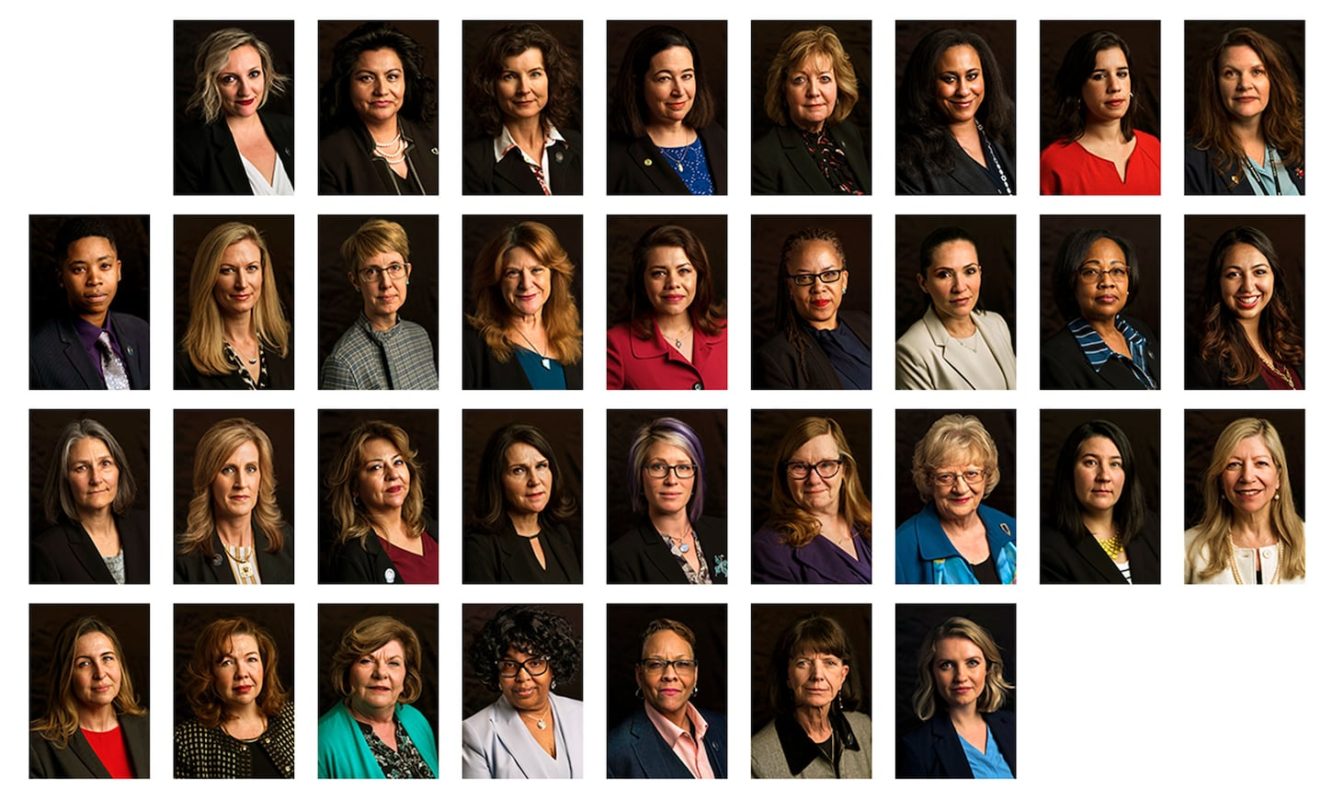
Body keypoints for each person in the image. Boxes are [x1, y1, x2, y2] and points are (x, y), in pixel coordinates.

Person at [318, 22, 439, 195]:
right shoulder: (327, 157)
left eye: (392, 76)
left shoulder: (434, 135)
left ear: (406, 81)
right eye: (366, 78)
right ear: (347, 85)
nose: (381, 90)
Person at [463, 606, 583, 778]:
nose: (523, 677)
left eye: (534, 663)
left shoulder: (584, 714)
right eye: (510, 665)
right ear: (496, 672)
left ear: (553, 668)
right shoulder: (474, 733)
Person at [31, 217, 150, 390]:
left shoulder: (141, 331)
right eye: (79, 269)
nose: (94, 280)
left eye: (104, 266)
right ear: (61, 277)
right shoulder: (36, 354)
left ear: (118, 270)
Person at [896, 415, 1016, 585]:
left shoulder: (1012, 529)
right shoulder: (901, 548)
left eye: (971, 474)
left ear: (987, 475)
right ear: (929, 480)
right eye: (945, 477)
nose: (960, 489)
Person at [464, 23, 582, 194]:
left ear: (551, 78)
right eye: (509, 76)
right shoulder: (471, 163)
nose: (524, 89)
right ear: (491, 85)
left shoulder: (579, 145)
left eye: (535, 74)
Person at [320, 219, 438, 390]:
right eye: (371, 271)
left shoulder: (420, 336)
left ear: (407, 272)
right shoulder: (342, 363)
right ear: (355, 281)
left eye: (395, 267)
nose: (386, 283)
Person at [608, 25, 726, 195]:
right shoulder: (613, 157)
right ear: (638, 84)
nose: (679, 91)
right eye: (664, 78)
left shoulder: (718, 137)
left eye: (686, 76)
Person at [464, 222, 583, 389]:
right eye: (512, 273)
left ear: (554, 275)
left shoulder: (573, 340)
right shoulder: (470, 347)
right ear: (497, 282)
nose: (526, 284)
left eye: (536, 270)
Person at [175, 28, 294, 195]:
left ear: (265, 75)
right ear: (212, 84)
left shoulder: (292, 129)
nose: (245, 90)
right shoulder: (190, 149)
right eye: (229, 79)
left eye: (253, 74)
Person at [1039, 30, 1160, 195]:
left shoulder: (1154, 148)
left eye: (1122, 74)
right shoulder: (1053, 162)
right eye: (1099, 76)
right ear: (1078, 87)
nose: (1115, 86)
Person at [753, 417, 872, 584]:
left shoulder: (870, 524)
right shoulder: (769, 549)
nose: (814, 479)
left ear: (844, 470)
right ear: (784, 474)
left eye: (826, 465)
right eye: (800, 467)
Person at [1185, 417, 1304, 584]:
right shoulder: (1187, 548)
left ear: (1279, 477)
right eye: (1233, 465)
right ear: (1220, 479)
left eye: (1261, 463)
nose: (1247, 477)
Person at [607, 224, 727, 390]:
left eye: (683, 271)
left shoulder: (729, 334)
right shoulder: (615, 346)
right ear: (642, 281)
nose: (673, 283)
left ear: (699, 276)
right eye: (659, 273)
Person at [175, 221, 293, 390]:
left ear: (263, 275)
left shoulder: (289, 343)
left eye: (251, 268)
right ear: (208, 279)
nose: (242, 283)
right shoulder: (183, 363)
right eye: (227, 270)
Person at [174, 418, 293, 584]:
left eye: (251, 469)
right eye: (228, 470)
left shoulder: (290, 542)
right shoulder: (180, 558)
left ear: (261, 477)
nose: (241, 483)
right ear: (209, 478)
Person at [1185, 28, 1304, 195]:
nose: (1245, 84)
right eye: (1231, 73)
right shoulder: (1190, 161)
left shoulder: (1298, 145)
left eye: (1257, 72)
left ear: (1272, 81)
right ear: (1216, 85)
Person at [752, 26, 869, 194]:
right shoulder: (763, 158)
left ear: (839, 85)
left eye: (824, 78)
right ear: (783, 89)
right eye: (800, 80)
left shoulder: (850, 134)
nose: (813, 91)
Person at [608, 418, 727, 584]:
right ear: (639, 476)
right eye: (658, 467)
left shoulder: (725, 532)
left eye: (683, 467)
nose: (671, 480)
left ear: (696, 476)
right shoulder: (622, 556)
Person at [897, 28, 1016, 195]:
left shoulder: (1011, 126)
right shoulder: (908, 160)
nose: (963, 91)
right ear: (927, 84)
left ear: (986, 77)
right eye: (949, 79)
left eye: (972, 76)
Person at [896, 226, 1016, 390]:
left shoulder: (997, 323)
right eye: (944, 274)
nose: (959, 287)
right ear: (923, 283)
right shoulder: (911, 350)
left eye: (970, 271)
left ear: (979, 273)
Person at [751, 614, 871, 779]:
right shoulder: (756, 757)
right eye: (803, 663)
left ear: (843, 675)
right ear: (788, 676)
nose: (817, 675)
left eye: (829, 663)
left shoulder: (866, 729)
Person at [1041, 420, 1161, 584]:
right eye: (1091, 462)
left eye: (1115, 464)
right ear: (1070, 471)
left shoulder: (1154, 528)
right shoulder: (1046, 547)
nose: (1104, 476)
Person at [29, 616, 150, 778]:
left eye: (107, 658)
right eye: (84, 663)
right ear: (66, 675)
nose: (100, 673)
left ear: (120, 665)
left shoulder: (149, 727)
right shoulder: (37, 747)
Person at [174, 617, 295, 778]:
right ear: (210, 673)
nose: (242, 673)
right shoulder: (186, 742)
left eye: (251, 659)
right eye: (227, 662)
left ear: (264, 666)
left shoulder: (293, 717)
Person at [318, 615, 438, 778]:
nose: (380, 673)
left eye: (393, 663)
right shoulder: (321, 742)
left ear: (406, 675)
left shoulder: (416, 719)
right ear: (348, 671)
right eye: (366, 661)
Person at [1040, 228, 1159, 390]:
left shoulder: (1141, 332)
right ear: (1072, 283)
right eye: (1091, 272)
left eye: (1117, 271)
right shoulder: (1054, 361)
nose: (1107, 282)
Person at [32, 418, 149, 584]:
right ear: (65, 478)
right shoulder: (48, 551)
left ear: (119, 470)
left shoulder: (149, 528)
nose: (96, 478)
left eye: (105, 464)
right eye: (81, 468)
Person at [898, 616, 1016, 779]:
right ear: (932, 673)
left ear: (987, 668)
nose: (961, 676)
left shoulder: (1014, 725)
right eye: (946, 665)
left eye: (972, 663)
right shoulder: (916, 748)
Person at [607, 619, 726, 778]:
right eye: (656, 664)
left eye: (682, 664)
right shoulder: (615, 753)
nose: (670, 676)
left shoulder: (724, 727)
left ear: (695, 674)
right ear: (639, 675)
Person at [754, 228, 871, 389]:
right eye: (804, 277)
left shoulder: (865, 323)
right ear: (790, 287)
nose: (818, 287)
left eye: (829, 274)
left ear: (843, 281)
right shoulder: (774, 358)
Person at [1188, 226, 1303, 389]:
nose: (1248, 287)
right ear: (1218, 282)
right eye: (1233, 274)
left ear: (1274, 277)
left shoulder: (1290, 345)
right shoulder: (1205, 364)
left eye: (1259, 272)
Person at [464, 424, 582, 583]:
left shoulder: (561, 533)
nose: (534, 480)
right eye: (518, 470)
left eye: (541, 466)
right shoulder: (480, 548)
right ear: (497, 480)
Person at [326, 420, 438, 584]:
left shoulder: (432, 529)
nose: (393, 474)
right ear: (354, 486)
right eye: (376, 467)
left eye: (398, 462)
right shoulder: (352, 556)